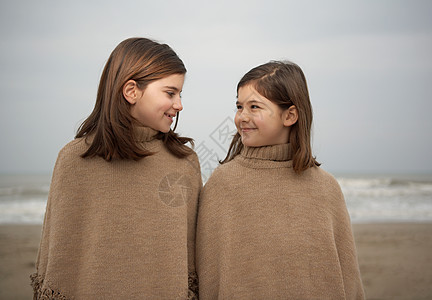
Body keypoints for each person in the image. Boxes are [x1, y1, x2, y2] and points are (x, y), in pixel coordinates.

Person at [31, 37, 201, 299]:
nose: (179, 105)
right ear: (131, 91)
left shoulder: (185, 163)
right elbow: (58, 257)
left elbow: (190, 257)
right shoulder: (74, 160)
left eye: (180, 94)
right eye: (170, 93)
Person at [196, 61, 364, 299]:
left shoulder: (326, 188)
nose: (242, 117)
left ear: (290, 115)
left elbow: (349, 278)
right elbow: (208, 275)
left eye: (254, 107)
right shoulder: (223, 184)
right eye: (239, 106)